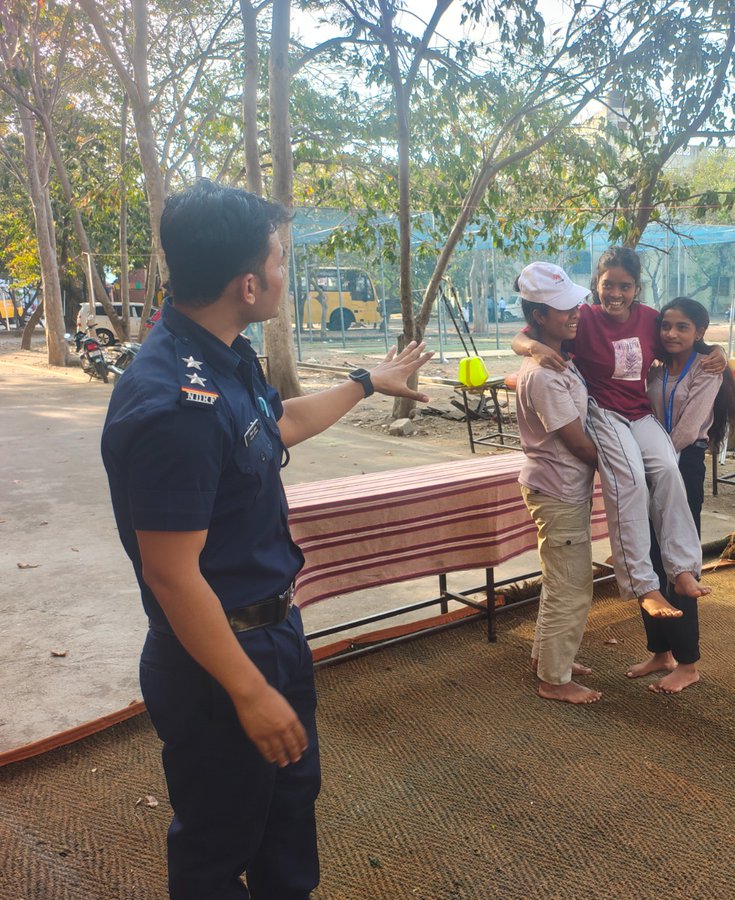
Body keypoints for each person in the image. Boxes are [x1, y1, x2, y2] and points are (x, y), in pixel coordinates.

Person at [101, 179, 433, 897]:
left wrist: (366, 382)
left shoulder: (221, 354)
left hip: (272, 632)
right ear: (248, 284)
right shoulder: (175, 404)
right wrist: (248, 691)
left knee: (286, 816)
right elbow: (173, 574)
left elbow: (276, 424)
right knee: (219, 843)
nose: (287, 273)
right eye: (281, 259)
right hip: (216, 663)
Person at [512, 247, 722, 620]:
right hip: (604, 413)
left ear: (636, 289)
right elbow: (521, 338)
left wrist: (717, 350)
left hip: (640, 412)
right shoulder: (582, 319)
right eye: (608, 285)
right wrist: (533, 347)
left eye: (625, 286)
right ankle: (643, 584)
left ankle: (683, 569)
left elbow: (684, 340)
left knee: (669, 471)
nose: (616, 294)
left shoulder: (649, 320)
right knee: (631, 482)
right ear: (597, 285)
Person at [633, 297, 735, 693]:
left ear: (700, 332)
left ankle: (688, 663)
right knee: (649, 556)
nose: (671, 334)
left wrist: (656, 463)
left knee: (680, 560)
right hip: (651, 464)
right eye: (666, 326)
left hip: (683, 463)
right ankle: (661, 652)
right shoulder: (656, 367)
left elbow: (689, 428)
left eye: (682, 327)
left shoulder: (707, 368)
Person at [513, 262, 602, 704]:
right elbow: (578, 443)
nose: (575, 313)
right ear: (539, 315)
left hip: (559, 486)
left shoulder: (555, 358)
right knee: (572, 584)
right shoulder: (544, 374)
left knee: (560, 578)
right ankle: (554, 680)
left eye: (575, 304)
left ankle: (547, 658)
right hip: (559, 488)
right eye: (564, 308)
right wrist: (626, 468)